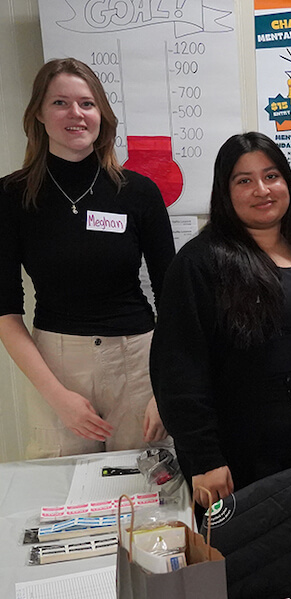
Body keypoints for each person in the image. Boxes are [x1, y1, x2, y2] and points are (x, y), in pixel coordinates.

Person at [151, 132, 291, 507]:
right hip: (238, 459)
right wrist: (205, 460)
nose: (261, 190)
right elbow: (178, 371)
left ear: (287, 183)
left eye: (271, 176)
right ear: (225, 191)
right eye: (244, 180)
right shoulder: (199, 263)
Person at [0, 58, 175, 458]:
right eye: (60, 103)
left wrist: (165, 389)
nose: (76, 114)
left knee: (143, 495)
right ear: (39, 116)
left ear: (102, 116)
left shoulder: (139, 193)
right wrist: (57, 396)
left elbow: (174, 300)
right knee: (62, 500)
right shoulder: (10, 197)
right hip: (57, 367)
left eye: (87, 103)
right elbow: (6, 313)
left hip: (138, 361)